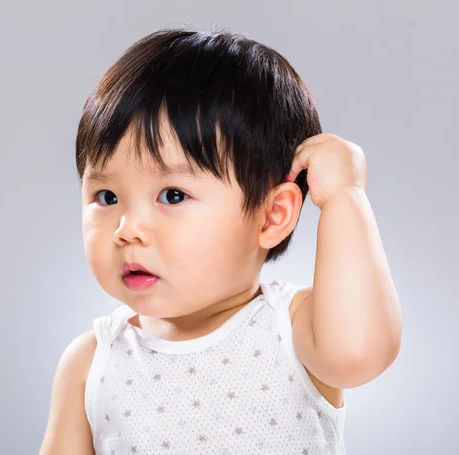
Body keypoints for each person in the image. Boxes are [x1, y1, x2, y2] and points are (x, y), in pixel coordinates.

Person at [39, 28, 402, 455]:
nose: (127, 228)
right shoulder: (91, 364)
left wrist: (344, 198)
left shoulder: (297, 330)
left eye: (172, 195)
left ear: (272, 215)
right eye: (107, 197)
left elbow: (360, 352)